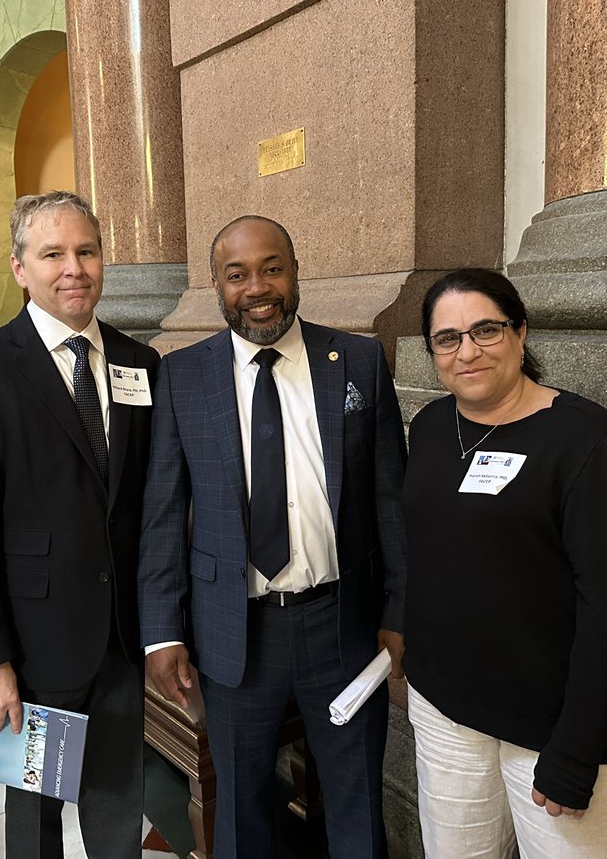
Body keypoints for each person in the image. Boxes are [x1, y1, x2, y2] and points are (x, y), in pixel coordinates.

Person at [138, 216, 407, 857]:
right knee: (238, 809)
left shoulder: (359, 360)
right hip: (235, 635)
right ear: (216, 286)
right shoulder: (183, 376)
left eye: (271, 268)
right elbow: (164, 513)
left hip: (342, 623)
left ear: (294, 270)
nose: (257, 287)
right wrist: (163, 631)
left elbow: (390, 499)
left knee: (355, 802)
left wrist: (400, 610)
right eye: (237, 275)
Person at [401, 267, 607, 858]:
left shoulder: (590, 445)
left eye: (485, 330)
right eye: (448, 338)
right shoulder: (433, 427)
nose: (467, 351)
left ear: (520, 332)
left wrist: (576, 747)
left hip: (552, 726)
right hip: (446, 710)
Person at [0, 190, 159, 859]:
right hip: (30, 646)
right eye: (52, 253)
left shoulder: (138, 363)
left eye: (86, 251)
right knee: (33, 813)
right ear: (19, 268)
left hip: (122, 635)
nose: (74, 268)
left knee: (118, 794)